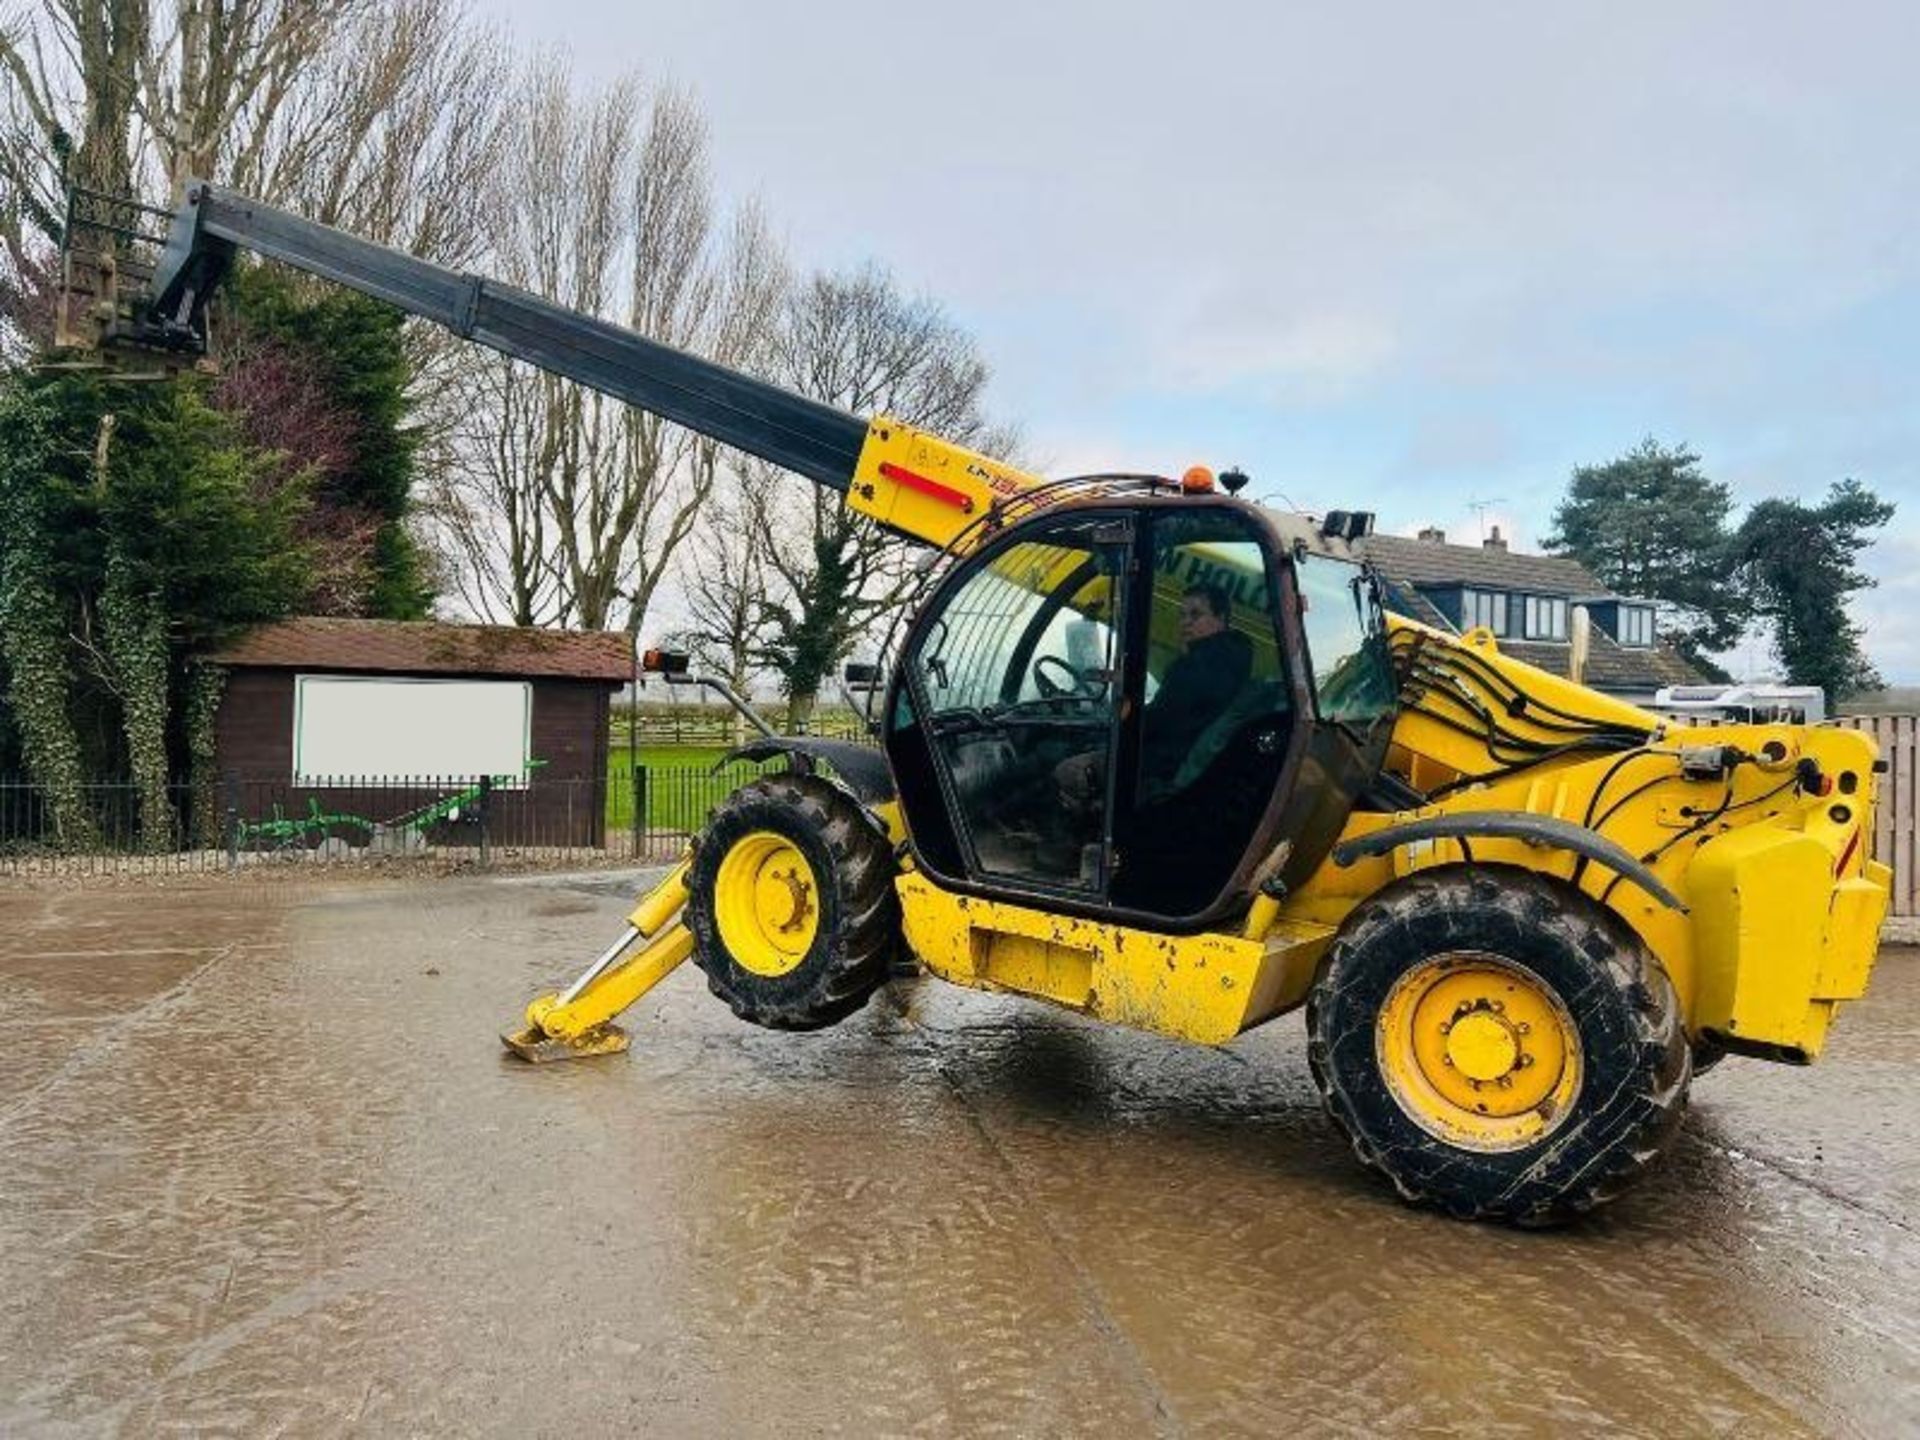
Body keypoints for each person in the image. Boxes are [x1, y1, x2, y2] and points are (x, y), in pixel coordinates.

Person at [1056, 582, 1252, 811]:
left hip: (1160, 764)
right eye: (1183, 615)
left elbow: (1159, 721)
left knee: (1065, 769)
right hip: (1175, 760)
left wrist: (1113, 726)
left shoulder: (1200, 666)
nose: (1185, 622)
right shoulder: (1227, 662)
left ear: (1221, 619)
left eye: (1196, 614)